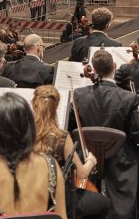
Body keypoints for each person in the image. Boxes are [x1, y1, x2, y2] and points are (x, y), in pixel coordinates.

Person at [70, 50, 139, 219]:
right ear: (115, 67)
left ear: (94, 69)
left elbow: (74, 129)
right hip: (120, 157)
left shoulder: (79, 94)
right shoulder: (128, 97)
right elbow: (136, 134)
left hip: (88, 155)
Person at [31, 85, 109, 219]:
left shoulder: (24, 133)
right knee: (103, 203)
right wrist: (91, 160)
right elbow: (82, 173)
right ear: (56, 108)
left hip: (30, 194)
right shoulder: (61, 137)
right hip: (57, 199)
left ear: (34, 105)